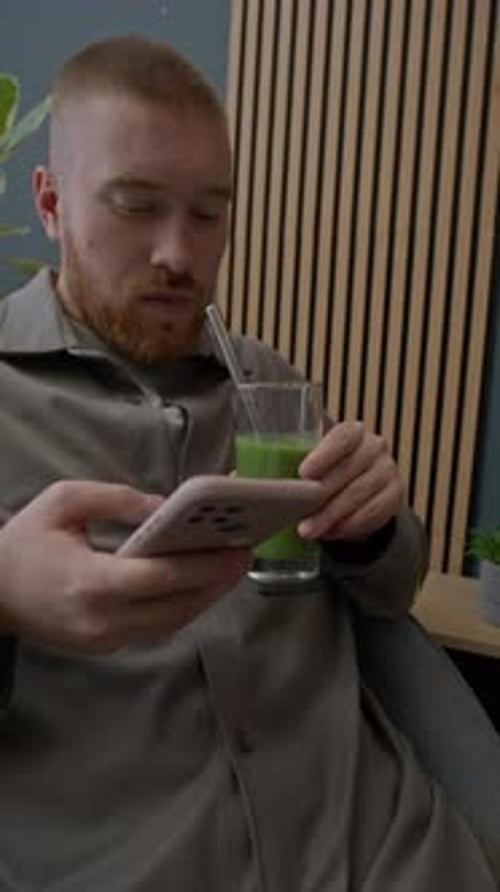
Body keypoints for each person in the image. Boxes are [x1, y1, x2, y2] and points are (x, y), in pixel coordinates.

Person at [0, 35, 495, 890]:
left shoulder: (267, 381)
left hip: (390, 853)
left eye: (209, 213)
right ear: (51, 204)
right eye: (134, 205)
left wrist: (374, 525)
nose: (179, 256)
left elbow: (391, 592)